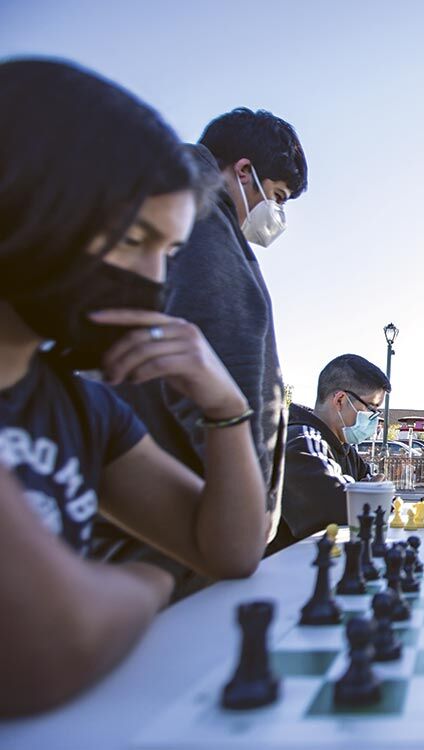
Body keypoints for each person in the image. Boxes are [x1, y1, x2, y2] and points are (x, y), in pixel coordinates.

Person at [0, 59, 269, 714]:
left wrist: (225, 406)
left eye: (169, 253)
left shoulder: (80, 406)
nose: (155, 282)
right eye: (133, 239)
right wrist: (148, 580)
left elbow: (231, 548)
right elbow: (59, 642)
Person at [93, 106, 308, 574]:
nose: (278, 215)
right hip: (184, 535)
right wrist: (241, 508)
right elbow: (227, 361)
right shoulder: (206, 224)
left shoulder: (174, 208)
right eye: (278, 195)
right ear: (244, 171)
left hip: (160, 516)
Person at [271, 355, 390, 550]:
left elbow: (380, 497)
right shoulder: (301, 440)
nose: (375, 420)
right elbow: (340, 507)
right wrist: (370, 492)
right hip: (285, 573)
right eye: (372, 408)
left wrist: (372, 492)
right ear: (341, 400)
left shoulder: (345, 449)